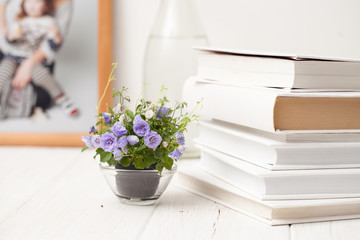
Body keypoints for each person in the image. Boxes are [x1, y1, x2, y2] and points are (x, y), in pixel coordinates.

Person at [0, 0, 78, 117]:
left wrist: (56, 37)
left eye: (37, 2)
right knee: (4, 71)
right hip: (14, 56)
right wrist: (12, 36)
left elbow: (53, 45)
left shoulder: (49, 22)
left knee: (42, 76)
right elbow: (9, 40)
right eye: (29, 2)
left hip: (33, 57)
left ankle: (62, 99)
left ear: (45, 6)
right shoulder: (20, 21)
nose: (32, 6)